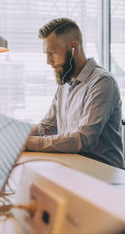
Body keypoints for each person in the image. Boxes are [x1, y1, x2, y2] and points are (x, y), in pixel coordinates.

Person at [25, 18, 124, 169]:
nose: (48, 61)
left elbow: (83, 139)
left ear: (73, 47)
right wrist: (15, 134)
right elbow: (47, 127)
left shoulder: (102, 82)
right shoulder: (65, 84)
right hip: (73, 166)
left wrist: (29, 143)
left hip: (104, 174)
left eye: (52, 53)